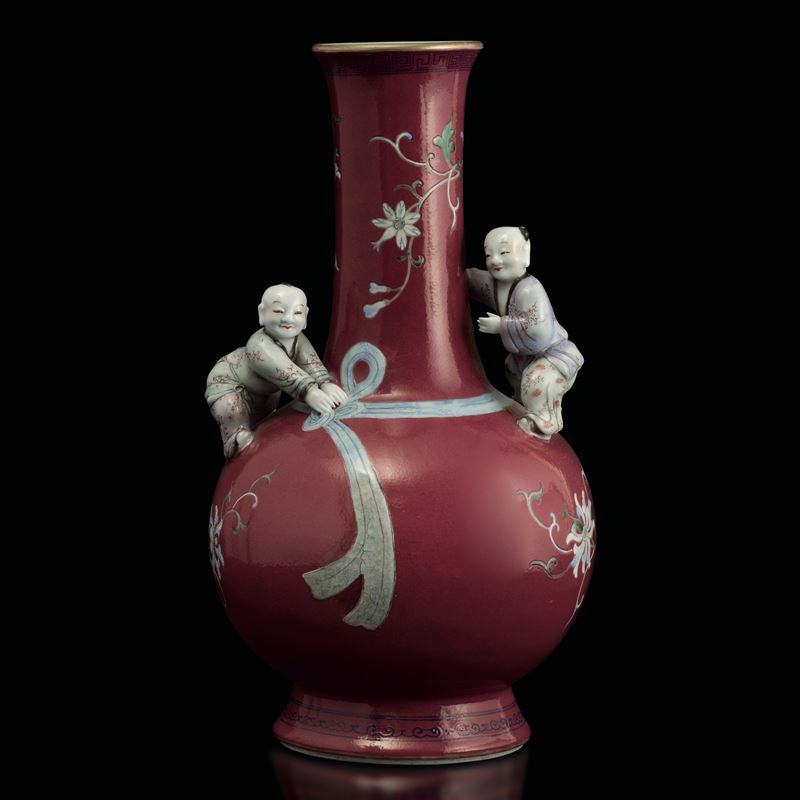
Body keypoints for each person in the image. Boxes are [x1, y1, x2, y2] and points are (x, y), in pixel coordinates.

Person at [466, 226, 583, 439]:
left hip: (552, 355)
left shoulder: (530, 288)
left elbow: (539, 328)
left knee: (537, 381)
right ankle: (523, 406)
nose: (495, 260)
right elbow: (472, 281)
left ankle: (544, 422)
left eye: (503, 252)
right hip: (526, 357)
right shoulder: (494, 284)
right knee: (513, 370)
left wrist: (501, 325)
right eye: (489, 254)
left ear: (525, 253)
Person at [205, 283, 348, 457]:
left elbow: (311, 362)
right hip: (228, 381)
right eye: (279, 311)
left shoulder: (299, 340)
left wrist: (325, 383)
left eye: (297, 312)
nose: (288, 319)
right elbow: (282, 369)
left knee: (265, 421)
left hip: (266, 391)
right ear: (262, 313)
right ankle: (237, 437)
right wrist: (310, 392)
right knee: (232, 409)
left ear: (306, 316)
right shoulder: (258, 344)